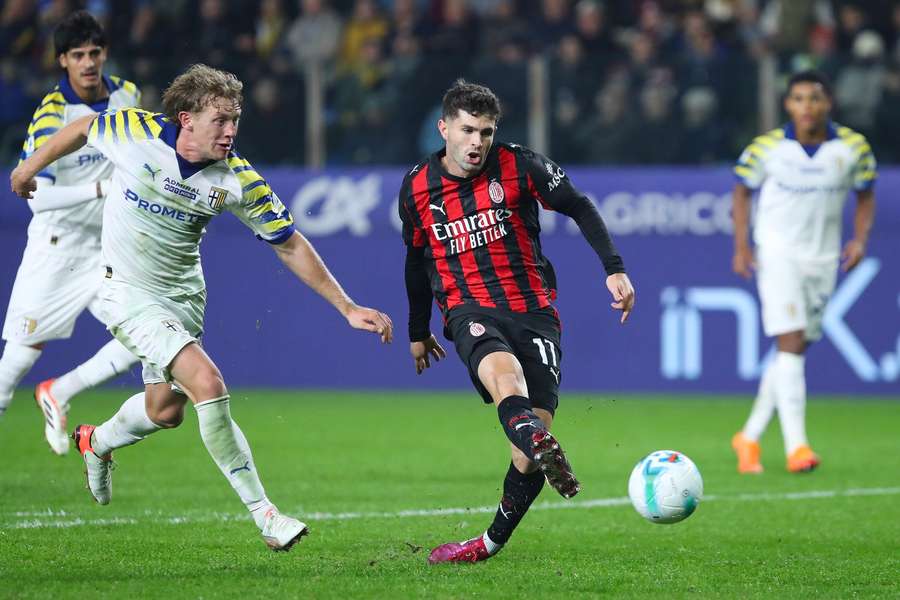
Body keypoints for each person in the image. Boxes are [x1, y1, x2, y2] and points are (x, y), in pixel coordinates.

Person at [10, 63, 394, 551]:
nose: (231, 131)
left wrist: (346, 307)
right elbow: (84, 127)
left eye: (236, 120)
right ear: (186, 118)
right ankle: (266, 516)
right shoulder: (136, 131)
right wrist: (27, 169)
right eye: (221, 120)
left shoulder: (238, 179)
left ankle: (97, 441)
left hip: (184, 296)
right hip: (125, 291)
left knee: (165, 410)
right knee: (207, 384)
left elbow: (289, 243)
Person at [398, 79, 634, 563]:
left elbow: (579, 205)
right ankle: (536, 437)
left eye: (485, 132)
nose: (476, 143)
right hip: (470, 308)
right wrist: (418, 330)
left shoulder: (521, 164)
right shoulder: (418, 186)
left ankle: (488, 543)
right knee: (507, 383)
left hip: (534, 312)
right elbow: (416, 261)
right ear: (444, 128)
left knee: (526, 450)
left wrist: (614, 269)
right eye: (467, 130)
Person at [0, 11, 140, 455]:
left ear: (105, 54)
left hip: (109, 247)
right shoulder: (51, 115)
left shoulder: (127, 95)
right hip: (58, 247)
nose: (87, 62)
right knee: (17, 361)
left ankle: (59, 392)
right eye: (77, 54)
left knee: (146, 338)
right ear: (62, 60)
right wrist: (100, 188)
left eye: (94, 52)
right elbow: (37, 198)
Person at [731, 70, 876, 474]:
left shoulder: (853, 148)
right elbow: (741, 190)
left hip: (823, 258)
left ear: (828, 103)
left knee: (792, 350)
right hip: (778, 253)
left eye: (814, 98)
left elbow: (866, 195)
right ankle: (798, 447)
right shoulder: (767, 148)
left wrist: (860, 239)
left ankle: (749, 436)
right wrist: (742, 246)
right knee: (791, 342)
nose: (806, 106)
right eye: (798, 99)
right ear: (787, 104)